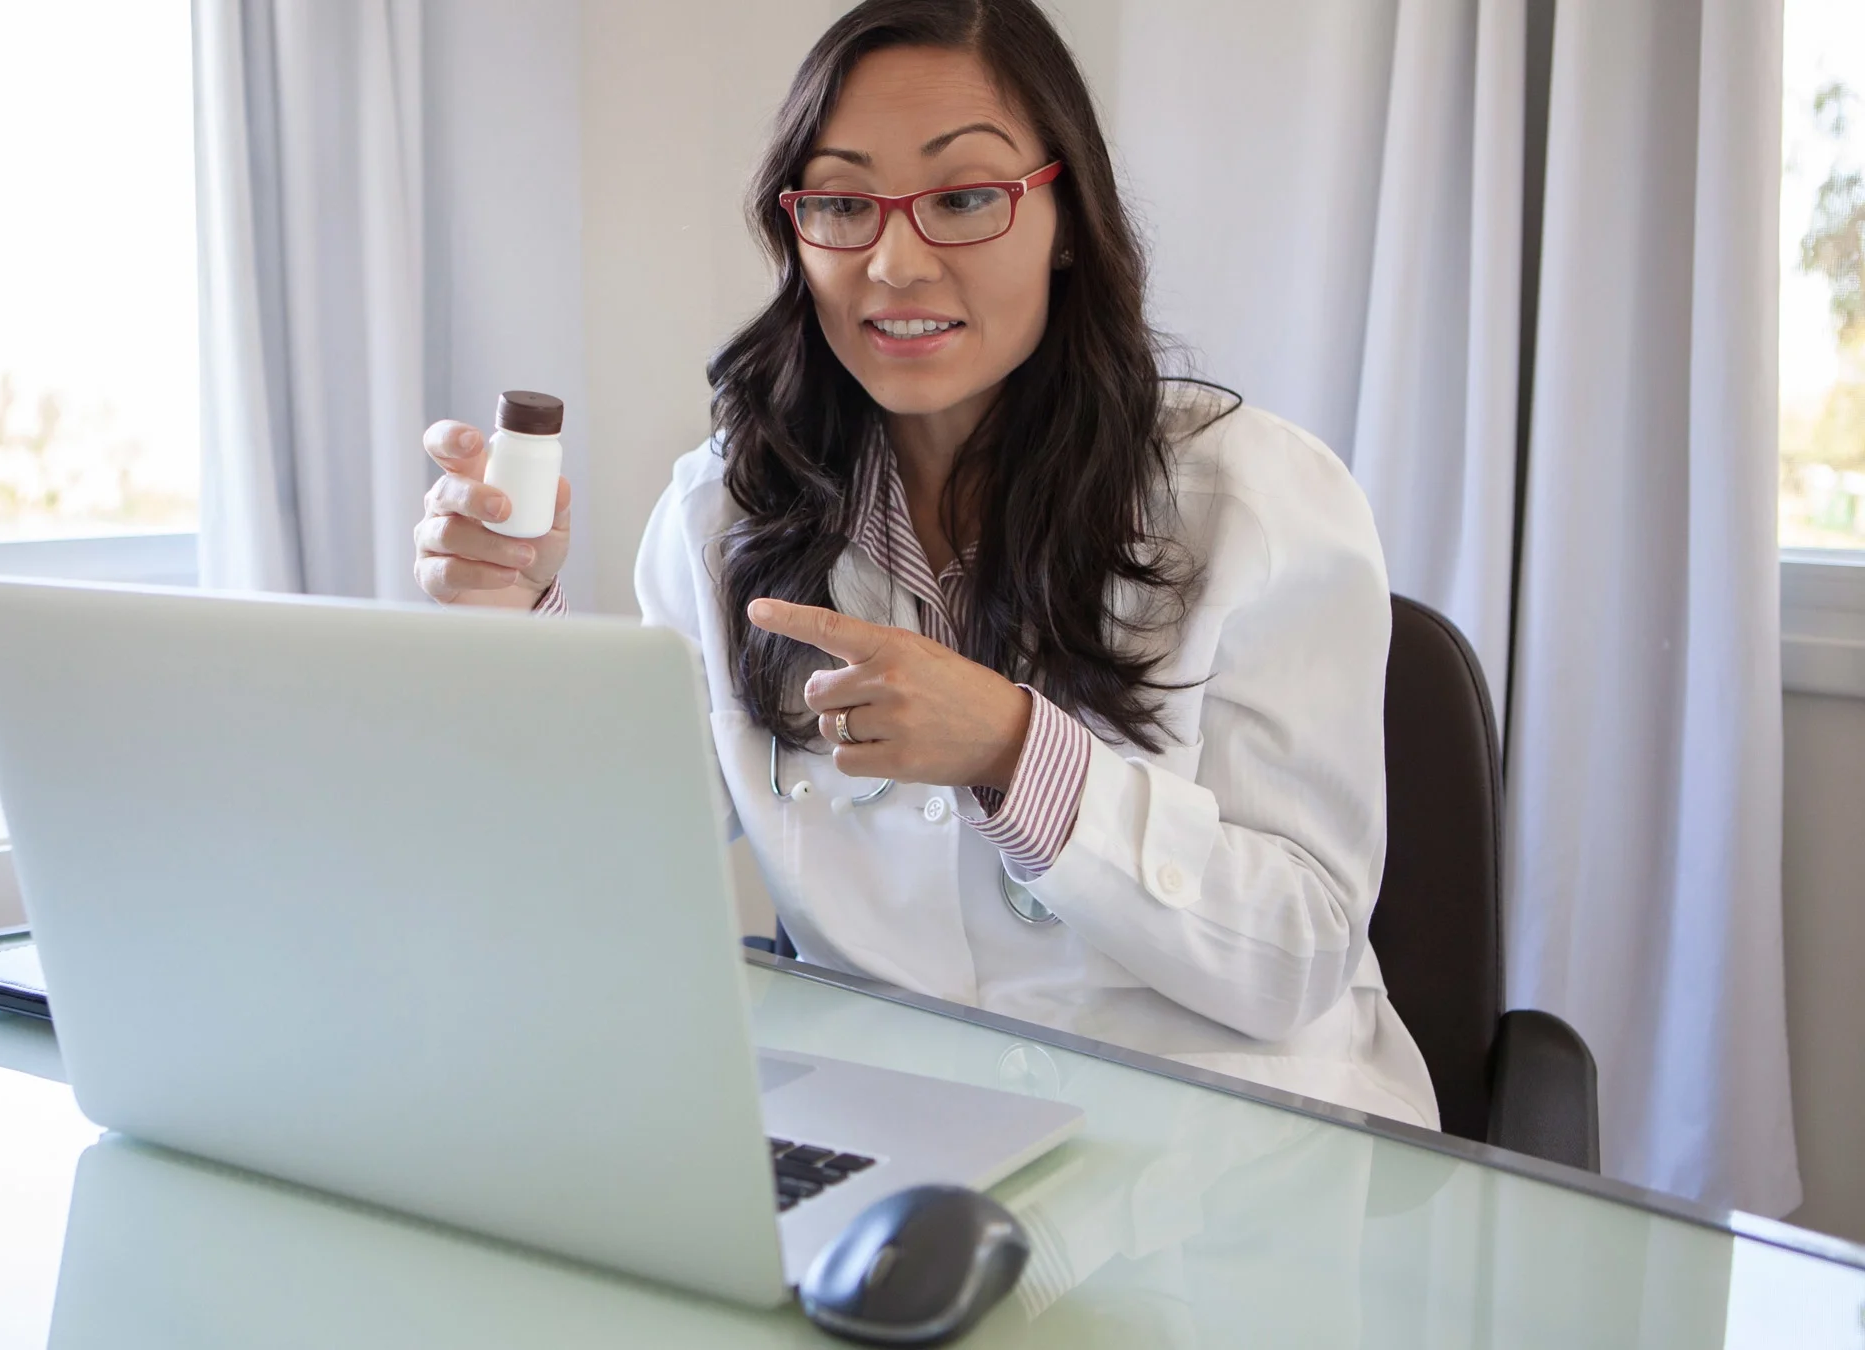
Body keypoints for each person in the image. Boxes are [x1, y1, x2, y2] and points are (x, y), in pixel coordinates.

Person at [411, 0, 1436, 1127]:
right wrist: (514, 620)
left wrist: (1013, 753)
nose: (894, 262)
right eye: (844, 204)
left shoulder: (1255, 503)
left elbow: (1298, 962)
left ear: (1067, 217)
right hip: (894, 1138)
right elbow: (603, 875)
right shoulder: (722, 513)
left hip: (1220, 1151)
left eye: (963, 198)